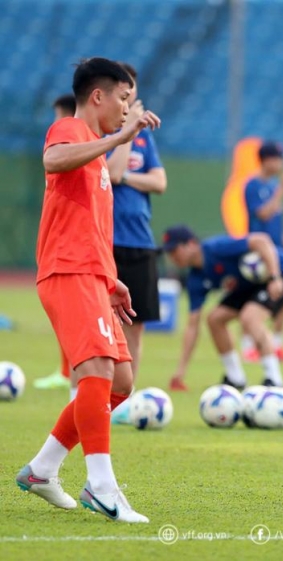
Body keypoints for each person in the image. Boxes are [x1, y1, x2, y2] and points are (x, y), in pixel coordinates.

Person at [16, 57, 160, 523]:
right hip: (66, 271)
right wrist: (120, 137)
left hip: (92, 275)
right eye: (123, 97)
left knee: (120, 383)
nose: (127, 108)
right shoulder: (71, 131)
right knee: (96, 370)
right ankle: (102, 487)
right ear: (97, 96)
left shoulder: (95, 152)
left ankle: (43, 469)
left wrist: (111, 279)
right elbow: (52, 160)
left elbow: (90, 226)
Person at [164, 226, 283, 391]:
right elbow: (193, 325)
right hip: (248, 285)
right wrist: (181, 371)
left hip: (282, 273)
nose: (172, 257)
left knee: (250, 318)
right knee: (214, 319)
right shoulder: (195, 279)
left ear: (191, 244)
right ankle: (236, 378)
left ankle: (275, 380)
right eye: (169, 253)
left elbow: (261, 241)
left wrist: (274, 276)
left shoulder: (216, 248)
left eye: (174, 250)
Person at [106, 62, 168, 407]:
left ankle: (123, 401)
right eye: (124, 94)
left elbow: (160, 182)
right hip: (108, 242)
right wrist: (127, 133)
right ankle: (87, 394)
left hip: (141, 242)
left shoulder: (144, 136)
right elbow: (112, 173)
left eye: (133, 93)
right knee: (100, 324)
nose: (130, 101)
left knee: (136, 325)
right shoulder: (105, 134)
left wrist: (130, 176)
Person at [33, 94, 78, 392]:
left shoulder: (68, 134)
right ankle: (67, 375)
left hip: (71, 255)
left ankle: (70, 378)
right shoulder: (70, 146)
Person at [241, 141, 283, 363]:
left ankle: (276, 344)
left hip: (278, 250)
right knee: (253, 299)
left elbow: (276, 221)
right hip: (259, 254)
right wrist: (282, 189)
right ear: (266, 160)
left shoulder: (274, 184)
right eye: (278, 158)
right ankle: (248, 346)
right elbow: (264, 214)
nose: (282, 163)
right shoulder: (253, 185)